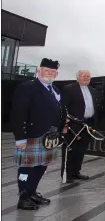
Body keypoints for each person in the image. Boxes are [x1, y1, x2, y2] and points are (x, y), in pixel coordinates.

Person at [11, 58, 66, 210]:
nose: (50, 73)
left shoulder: (55, 89)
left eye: (53, 72)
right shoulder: (27, 87)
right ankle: (23, 198)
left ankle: (32, 192)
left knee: (41, 166)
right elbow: (18, 113)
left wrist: (62, 129)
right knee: (26, 167)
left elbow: (61, 110)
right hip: (32, 135)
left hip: (50, 137)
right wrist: (20, 138)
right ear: (38, 71)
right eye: (47, 70)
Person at [60, 70, 99, 183]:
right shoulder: (69, 89)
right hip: (73, 124)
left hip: (88, 124)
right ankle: (67, 174)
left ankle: (76, 172)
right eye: (83, 76)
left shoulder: (93, 90)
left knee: (81, 150)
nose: (86, 78)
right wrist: (65, 124)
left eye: (88, 76)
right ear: (77, 77)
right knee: (70, 149)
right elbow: (64, 107)